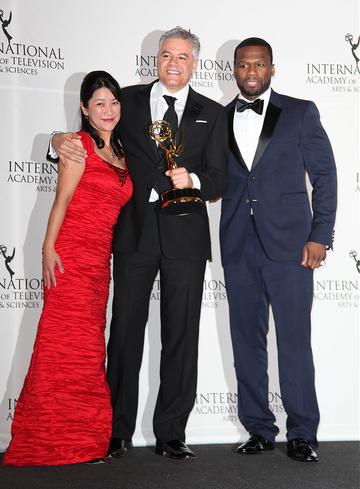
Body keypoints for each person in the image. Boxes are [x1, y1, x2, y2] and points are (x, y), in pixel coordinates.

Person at [50, 27, 228, 460]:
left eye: (182, 57)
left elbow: (220, 178)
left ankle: (171, 432)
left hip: (186, 237)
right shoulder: (124, 100)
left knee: (181, 335)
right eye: (166, 54)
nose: (173, 63)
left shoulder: (213, 113)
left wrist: (195, 180)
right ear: (156, 58)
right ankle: (115, 430)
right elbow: (90, 136)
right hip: (133, 232)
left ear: (195, 63)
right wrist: (57, 143)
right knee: (125, 334)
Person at [4, 71, 133, 466]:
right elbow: (60, 202)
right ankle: (46, 439)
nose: (108, 110)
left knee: (87, 348)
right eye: (99, 104)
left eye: (113, 102)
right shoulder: (78, 146)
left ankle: (82, 439)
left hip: (99, 261)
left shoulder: (123, 152)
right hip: (72, 254)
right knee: (62, 345)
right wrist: (47, 248)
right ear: (84, 109)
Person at [220, 38, 337, 462]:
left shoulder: (301, 112)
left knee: (294, 341)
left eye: (259, 64)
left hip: (291, 246)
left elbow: (325, 175)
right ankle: (258, 428)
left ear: (272, 68)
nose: (251, 71)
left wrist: (320, 235)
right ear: (233, 69)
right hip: (238, 245)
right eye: (244, 64)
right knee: (246, 342)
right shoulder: (218, 118)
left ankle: (302, 431)